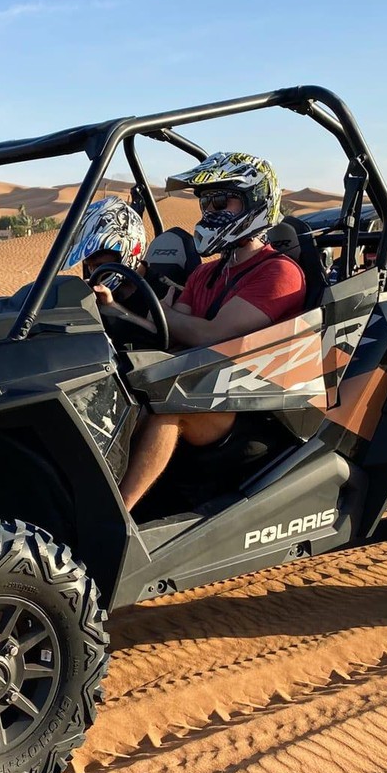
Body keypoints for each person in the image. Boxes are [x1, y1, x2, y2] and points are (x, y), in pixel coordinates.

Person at [110, 151, 306, 512]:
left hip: (256, 405)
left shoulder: (279, 273)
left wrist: (168, 317)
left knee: (168, 404)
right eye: (205, 203)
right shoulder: (205, 273)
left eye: (220, 200)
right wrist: (114, 311)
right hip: (207, 388)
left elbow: (210, 335)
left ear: (255, 201)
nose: (209, 212)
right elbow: (173, 333)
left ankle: (118, 515)